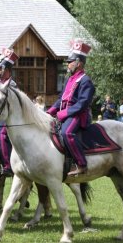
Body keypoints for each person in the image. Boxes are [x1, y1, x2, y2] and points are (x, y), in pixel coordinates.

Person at [47, 39, 95, 176]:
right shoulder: (70, 79)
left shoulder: (86, 80)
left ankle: (81, 164)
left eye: (70, 61)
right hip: (68, 114)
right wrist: (50, 111)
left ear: (79, 63)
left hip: (79, 116)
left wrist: (64, 113)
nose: (67, 64)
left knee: (66, 133)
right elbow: (61, 98)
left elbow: (82, 104)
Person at [0, 48, 19, 177]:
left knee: (0, 135)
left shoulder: (11, 84)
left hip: (8, 117)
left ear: (6, 69)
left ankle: (8, 165)